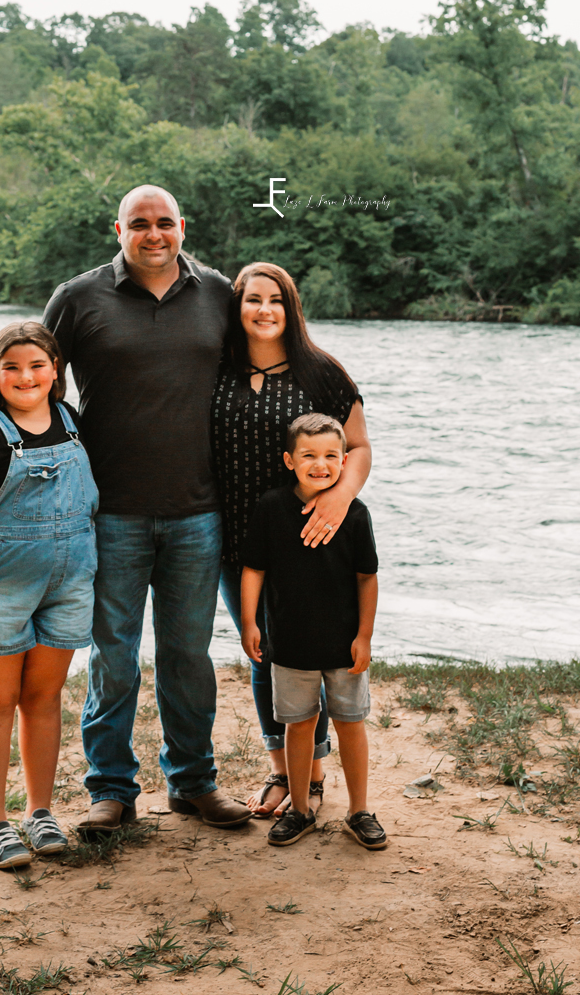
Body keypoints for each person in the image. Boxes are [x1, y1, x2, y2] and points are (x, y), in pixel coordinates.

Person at [43, 185, 253, 835]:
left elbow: (264, 368)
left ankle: (194, 783)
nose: (153, 233)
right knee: (113, 655)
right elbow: (31, 383)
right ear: (118, 230)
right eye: (140, 223)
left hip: (199, 512)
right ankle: (111, 790)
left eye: (165, 223)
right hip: (110, 514)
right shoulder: (78, 299)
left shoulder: (219, 293)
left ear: (183, 227)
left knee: (189, 656)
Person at [211, 262, 372, 819]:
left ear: (290, 307)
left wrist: (339, 498)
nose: (263, 310)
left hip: (312, 535)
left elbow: (358, 447)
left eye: (275, 299)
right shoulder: (217, 369)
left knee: (315, 650)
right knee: (265, 653)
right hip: (237, 540)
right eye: (252, 299)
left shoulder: (321, 372)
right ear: (237, 308)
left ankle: (315, 774)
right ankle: (282, 771)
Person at [0, 321, 98, 868]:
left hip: (70, 580)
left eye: (37, 365)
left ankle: (40, 811)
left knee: (43, 699)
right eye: (12, 367)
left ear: (56, 370)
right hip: (0, 585)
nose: (26, 376)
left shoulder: (72, 421)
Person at [241, 413, 386, 849]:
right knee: (299, 725)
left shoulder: (355, 515)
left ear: (345, 460)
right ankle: (301, 809)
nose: (320, 464)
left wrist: (365, 636)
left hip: (344, 645)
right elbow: (254, 568)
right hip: (288, 644)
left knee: (350, 723)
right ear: (289, 460)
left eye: (330, 455)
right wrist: (250, 622)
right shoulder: (270, 507)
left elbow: (367, 578)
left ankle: (359, 811)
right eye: (309, 455)